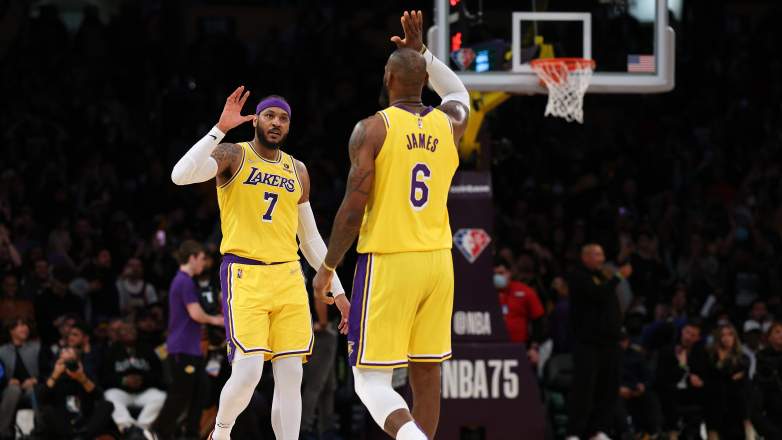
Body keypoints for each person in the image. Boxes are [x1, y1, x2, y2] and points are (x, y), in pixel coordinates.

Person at [313, 10, 470, 440]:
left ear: (387, 78)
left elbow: (352, 207)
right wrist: (423, 52)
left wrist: (328, 265)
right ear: (422, 81)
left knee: (370, 380)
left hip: (390, 261)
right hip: (438, 263)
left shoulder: (372, 129)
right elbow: (457, 89)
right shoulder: (451, 123)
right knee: (426, 374)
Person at [171, 86, 346, 440]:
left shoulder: (297, 170)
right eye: (269, 115)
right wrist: (219, 127)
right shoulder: (233, 154)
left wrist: (338, 290)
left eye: (283, 118)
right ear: (256, 120)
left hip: (288, 277)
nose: (276, 123)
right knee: (248, 373)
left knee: (291, 375)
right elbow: (181, 175)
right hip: (245, 274)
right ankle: (221, 431)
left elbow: (310, 239)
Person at [151, 240, 223, 440]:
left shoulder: (184, 281)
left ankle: (191, 434)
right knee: (180, 394)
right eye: (201, 259)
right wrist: (218, 320)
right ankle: (158, 431)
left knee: (200, 392)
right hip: (182, 348)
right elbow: (196, 314)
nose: (204, 263)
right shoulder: (184, 281)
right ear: (191, 258)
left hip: (192, 349)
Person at [566, 243, 632, 440]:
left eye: (602, 254)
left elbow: (612, 308)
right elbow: (597, 294)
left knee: (609, 389)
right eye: (596, 255)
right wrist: (618, 277)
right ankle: (574, 432)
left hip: (610, 343)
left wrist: (620, 333)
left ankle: (600, 431)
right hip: (587, 343)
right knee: (584, 390)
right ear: (585, 257)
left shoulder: (603, 276)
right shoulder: (578, 277)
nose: (601, 259)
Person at [101, 320, 166, 439]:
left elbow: (159, 374)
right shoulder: (111, 351)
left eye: (132, 330)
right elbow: (104, 378)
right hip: (122, 392)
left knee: (160, 396)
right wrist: (123, 380)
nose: (129, 332)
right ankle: (128, 427)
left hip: (143, 392)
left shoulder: (147, 349)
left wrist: (143, 379)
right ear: (119, 334)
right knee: (109, 395)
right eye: (125, 330)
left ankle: (141, 428)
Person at [34, 346, 114, 439]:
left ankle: (81, 436)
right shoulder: (53, 378)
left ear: (79, 362)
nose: (63, 351)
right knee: (47, 410)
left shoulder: (85, 376)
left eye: (68, 352)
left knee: (107, 405)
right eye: (63, 362)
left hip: (85, 425)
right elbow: (41, 399)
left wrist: (81, 378)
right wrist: (55, 374)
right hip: (62, 425)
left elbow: (99, 396)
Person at [655, 321, 709, 440]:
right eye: (687, 332)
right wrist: (681, 367)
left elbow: (706, 377)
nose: (688, 337)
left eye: (693, 335)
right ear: (682, 331)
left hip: (692, 395)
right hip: (670, 394)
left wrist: (701, 382)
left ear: (698, 338)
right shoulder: (667, 351)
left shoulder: (701, 354)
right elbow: (661, 379)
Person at [704, 323, 753, 440]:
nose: (726, 338)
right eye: (723, 335)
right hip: (714, 406)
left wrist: (721, 366)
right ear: (718, 338)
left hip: (736, 407)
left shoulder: (743, 358)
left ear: (735, 337)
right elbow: (715, 378)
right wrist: (721, 363)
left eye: (730, 334)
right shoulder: (709, 356)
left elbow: (731, 376)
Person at [0, 318, 39, 439]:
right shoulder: (2, 351)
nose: (25, 328)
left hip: (33, 386)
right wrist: (7, 381)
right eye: (21, 326)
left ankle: (41, 430)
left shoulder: (37, 347)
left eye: (26, 325)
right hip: (9, 389)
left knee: (34, 390)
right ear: (12, 330)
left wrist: (35, 380)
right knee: (13, 389)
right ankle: (3, 432)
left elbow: (46, 369)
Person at [493, 261, 545, 345]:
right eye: (494, 274)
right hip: (493, 346)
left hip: (520, 347)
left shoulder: (525, 291)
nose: (497, 277)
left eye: (501, 273)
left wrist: (534, 346)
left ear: (509, 273)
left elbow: (538, 321)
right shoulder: (486, 294)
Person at [751, 321, 782, 440]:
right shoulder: (762, 361)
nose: (781, 334)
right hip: (774, 426)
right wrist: (772, 434)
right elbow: (755, 410)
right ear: (769, 337)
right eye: (777, 331)